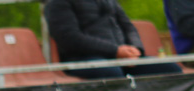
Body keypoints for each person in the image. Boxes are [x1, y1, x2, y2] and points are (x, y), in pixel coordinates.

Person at [46, 0, 183, 79]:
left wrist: (136, 50)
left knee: (170, 69)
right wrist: (115, 51)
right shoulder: (57, 3)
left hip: (120, 58)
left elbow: (128, 27)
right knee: (111, 73)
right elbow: (70, 39)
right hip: (82, 60)